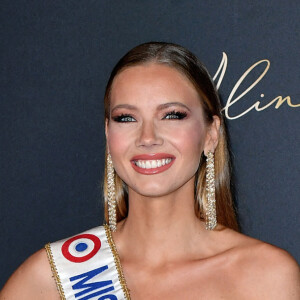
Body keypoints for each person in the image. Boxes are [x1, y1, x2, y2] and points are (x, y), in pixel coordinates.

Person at [1, 42, 299, 300]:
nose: (147, 138)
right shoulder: (47, 279)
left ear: (211, 134)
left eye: (172, 115)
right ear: (108, 134)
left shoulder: (267, 277)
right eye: (126, 118)